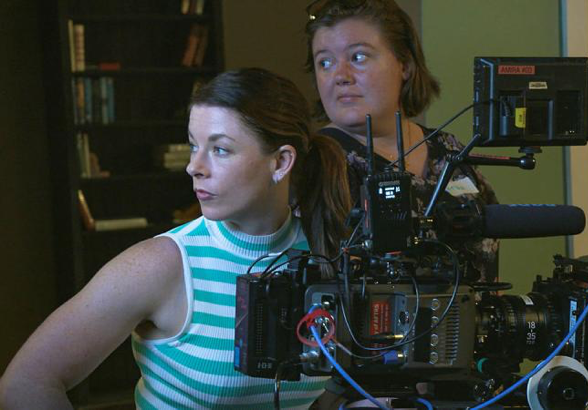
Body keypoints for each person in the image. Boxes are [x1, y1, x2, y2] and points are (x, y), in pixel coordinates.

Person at [0, 68, 351, 409]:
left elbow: (328, 385)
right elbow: (24, 384)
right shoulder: (161, 264)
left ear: (280, 163)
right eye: (193, 146)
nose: (193, 166)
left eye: (220, 149)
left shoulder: (326, 257)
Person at [304, 0, 499, 282]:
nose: (340, 76)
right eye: (325, 62)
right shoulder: (316, 161)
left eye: (358, 57)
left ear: (404, 64)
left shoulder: (448, 147)